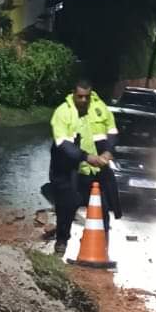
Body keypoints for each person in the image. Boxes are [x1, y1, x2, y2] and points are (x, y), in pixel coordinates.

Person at [48, 78, 120, 256]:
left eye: (86, 96)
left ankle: (101, 246)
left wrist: (108, 151)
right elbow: (63, 144)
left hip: (95, 172)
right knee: (66, 207)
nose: (83, 100)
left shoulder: (99, 108)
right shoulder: (63, 113)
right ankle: (62, 241)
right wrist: (87, 157)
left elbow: (112, 131)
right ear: (73, 94)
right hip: (70, 171)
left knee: (102, 209)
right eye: (80, 96)